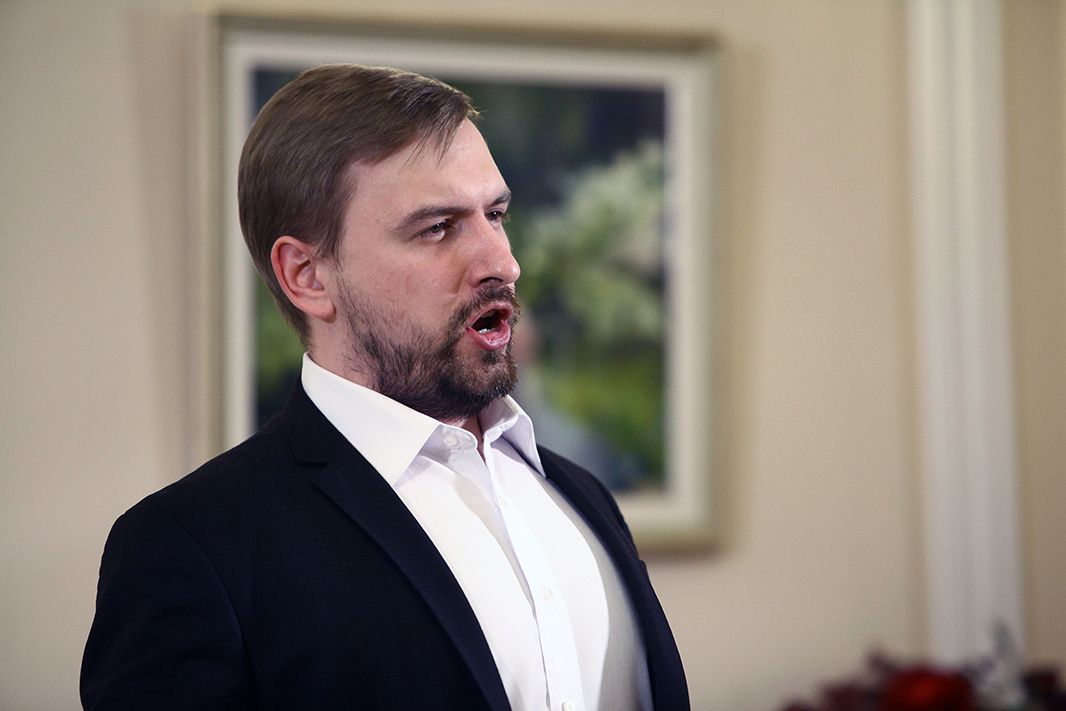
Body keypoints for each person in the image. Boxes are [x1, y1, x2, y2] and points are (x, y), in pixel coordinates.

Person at [81, 63, 689, 711]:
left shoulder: (579, 493)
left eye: (496, 214)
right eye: (438, 227)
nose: (502, 262)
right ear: (308, 275)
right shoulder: (192, 548)